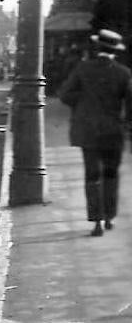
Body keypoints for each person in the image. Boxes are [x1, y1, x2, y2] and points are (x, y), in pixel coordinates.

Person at [57, 29, 132, 237]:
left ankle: (96, 221)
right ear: (115, 52)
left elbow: (64, 95)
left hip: (87, 131)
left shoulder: (83, 69)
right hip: (112, 132)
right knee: (111, 174)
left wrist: (82, 103)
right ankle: (109, 217)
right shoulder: (124, 73)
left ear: (97, 48)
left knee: (92, 175)